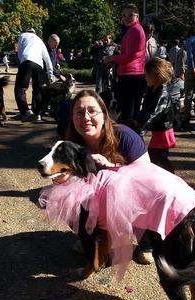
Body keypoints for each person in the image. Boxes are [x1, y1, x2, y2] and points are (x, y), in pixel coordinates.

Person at [63, 89, 152, 263]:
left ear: (104, 115)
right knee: (64, 196)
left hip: (133, 196)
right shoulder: (70, 145)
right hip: (99, 198)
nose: (86, 118)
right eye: (79, 113)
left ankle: (146, 241)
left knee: (144, 196)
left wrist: (112, 167)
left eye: (92, 111)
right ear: (72, 118)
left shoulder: (125, 136)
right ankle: (92, 237)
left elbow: (147, 178)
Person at [104, 4, 146, 127]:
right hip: (134, 74)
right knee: (131, 114)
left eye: (130, 15)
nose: (126, 18)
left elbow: (129, 57)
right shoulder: (135, 29)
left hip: (130, 75)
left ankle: (128, 142)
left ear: (137, 16)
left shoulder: (134, 31)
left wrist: (111, 58)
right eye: (124, 15)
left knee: (128, 115)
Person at [138, 58, 176, 173]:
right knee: (157, 157)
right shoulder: (153, 89)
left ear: (155, 76)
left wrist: (141, 130)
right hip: (159, 130)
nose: (145, 77)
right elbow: (146, 109)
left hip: (163, 132)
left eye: (146, 75)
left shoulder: (162, 93)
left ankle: (171, 179)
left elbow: (153, 113)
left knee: (158, 157)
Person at [14, 28, 53, 122]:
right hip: (39, 65)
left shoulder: (22, 36)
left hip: (26, 60)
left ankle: (26, 111)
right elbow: (47, 59)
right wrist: (50, 75)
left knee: (20, 88)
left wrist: (21, 61)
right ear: (35, 33)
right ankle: (37, 113)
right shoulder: (40, 40)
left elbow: (19, 52)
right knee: (37, 90)